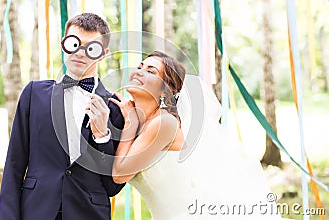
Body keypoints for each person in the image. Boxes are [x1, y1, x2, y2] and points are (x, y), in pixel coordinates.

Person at [110, 51, 283, 219]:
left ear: (166, 90)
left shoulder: (164, 123)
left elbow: (119, 175)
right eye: (140, 67)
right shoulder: (143, 121)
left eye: (150, 71)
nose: (139, 72)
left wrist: (130, 123)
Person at [0, 13, 125, 220]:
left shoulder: (115, 108)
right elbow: (14, 164)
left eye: (90, 48)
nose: (80, 53)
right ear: (64, 43)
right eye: (74, 43)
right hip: (36, 211)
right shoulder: (34, 94)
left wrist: (103, 136)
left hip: (89, 213)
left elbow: (112, 186)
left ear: (103, 53)